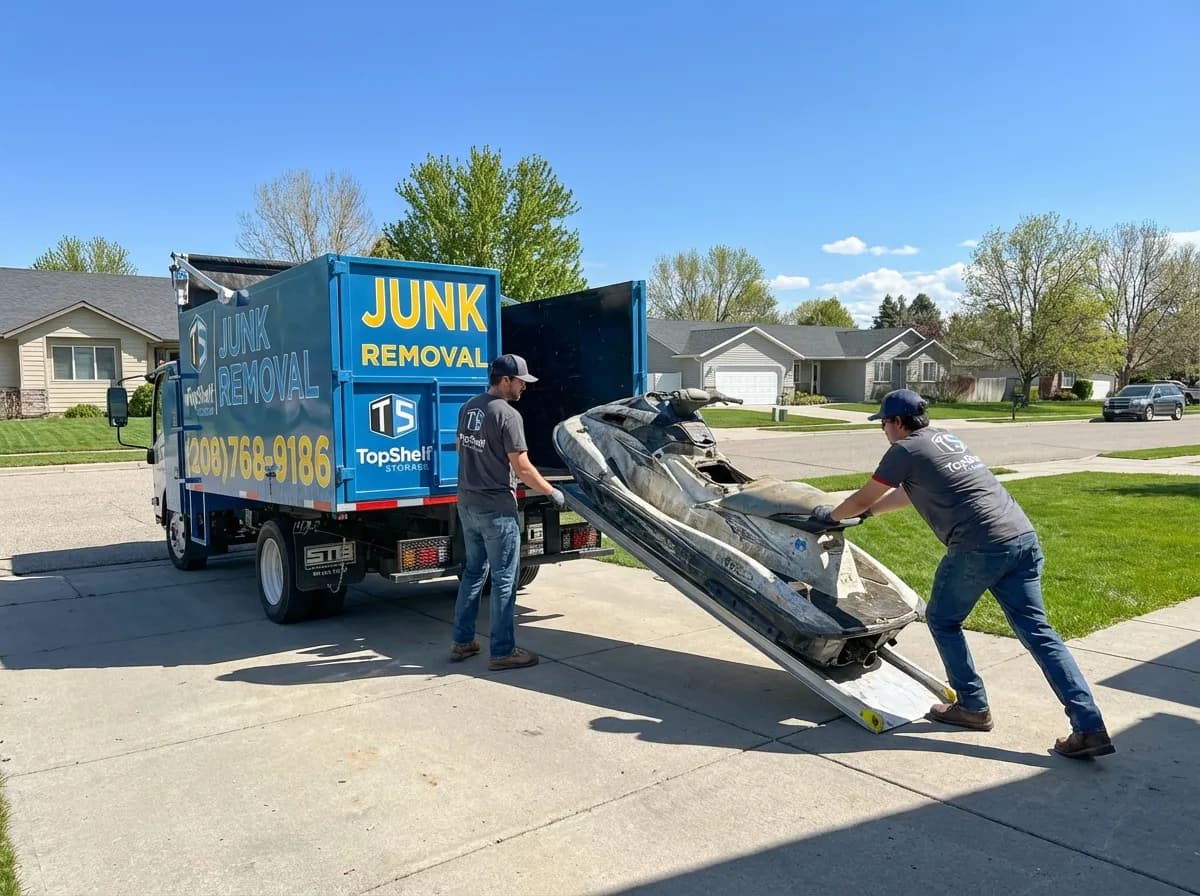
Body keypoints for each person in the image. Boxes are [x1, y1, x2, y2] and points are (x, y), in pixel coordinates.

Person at [810, 388, 1114, 759]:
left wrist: (830, 516)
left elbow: (862, 497)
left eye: (884, 423)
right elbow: (908, 494)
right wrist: (869, 515)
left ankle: (972, 706)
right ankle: (1089, 725)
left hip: (979, 546)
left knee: (942, 620)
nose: (883, 430)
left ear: (897, 422)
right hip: (1021, 538)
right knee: (1039, 633)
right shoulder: (944, 440)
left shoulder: (904, 449)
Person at [449, 353, 566, 671]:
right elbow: (522, 466)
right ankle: (502, 651)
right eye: (520, 382)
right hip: (496, 509)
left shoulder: (469, 407)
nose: (523, 388)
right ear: (505, 381)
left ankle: (462, 642)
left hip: (467, 504)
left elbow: (461, 449)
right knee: (504, 579)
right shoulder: (508, 415)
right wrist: (551, 491)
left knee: (473, 573)